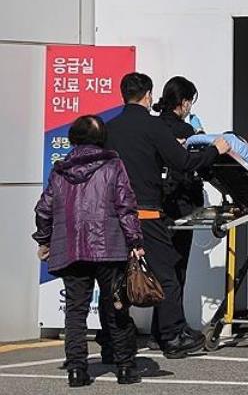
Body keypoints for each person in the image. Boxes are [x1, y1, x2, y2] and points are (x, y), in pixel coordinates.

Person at [105, 72, 230, 359]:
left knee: (115, 279)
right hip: (146, 214)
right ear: (148, 96)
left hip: (114, 216)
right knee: (167, 276)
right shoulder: (153, 126)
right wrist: (214, 149)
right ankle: (172, 338)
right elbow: (183, 162)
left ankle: (113, 341)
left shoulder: (109, 129)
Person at [32, 115, 143, 387]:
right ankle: (126, 367)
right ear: (101, 138)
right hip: (109, 247)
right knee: (116, 306)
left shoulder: (60, 170)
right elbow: (125, 207)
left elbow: (44, 209)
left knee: (75, 312)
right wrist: (135, 242)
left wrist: (43, 240)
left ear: (73, 138)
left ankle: (77, 370)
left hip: (71, 248)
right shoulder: (113, 165)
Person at [145, 76, 206, 350]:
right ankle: (174, 330)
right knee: (176, 270)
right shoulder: (186, 130)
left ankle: (161, 329)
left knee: (160, 270)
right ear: (183, 102)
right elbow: (194, 165)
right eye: (189, 101)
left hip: (154, 206)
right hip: (180, 208)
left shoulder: (153, 127)